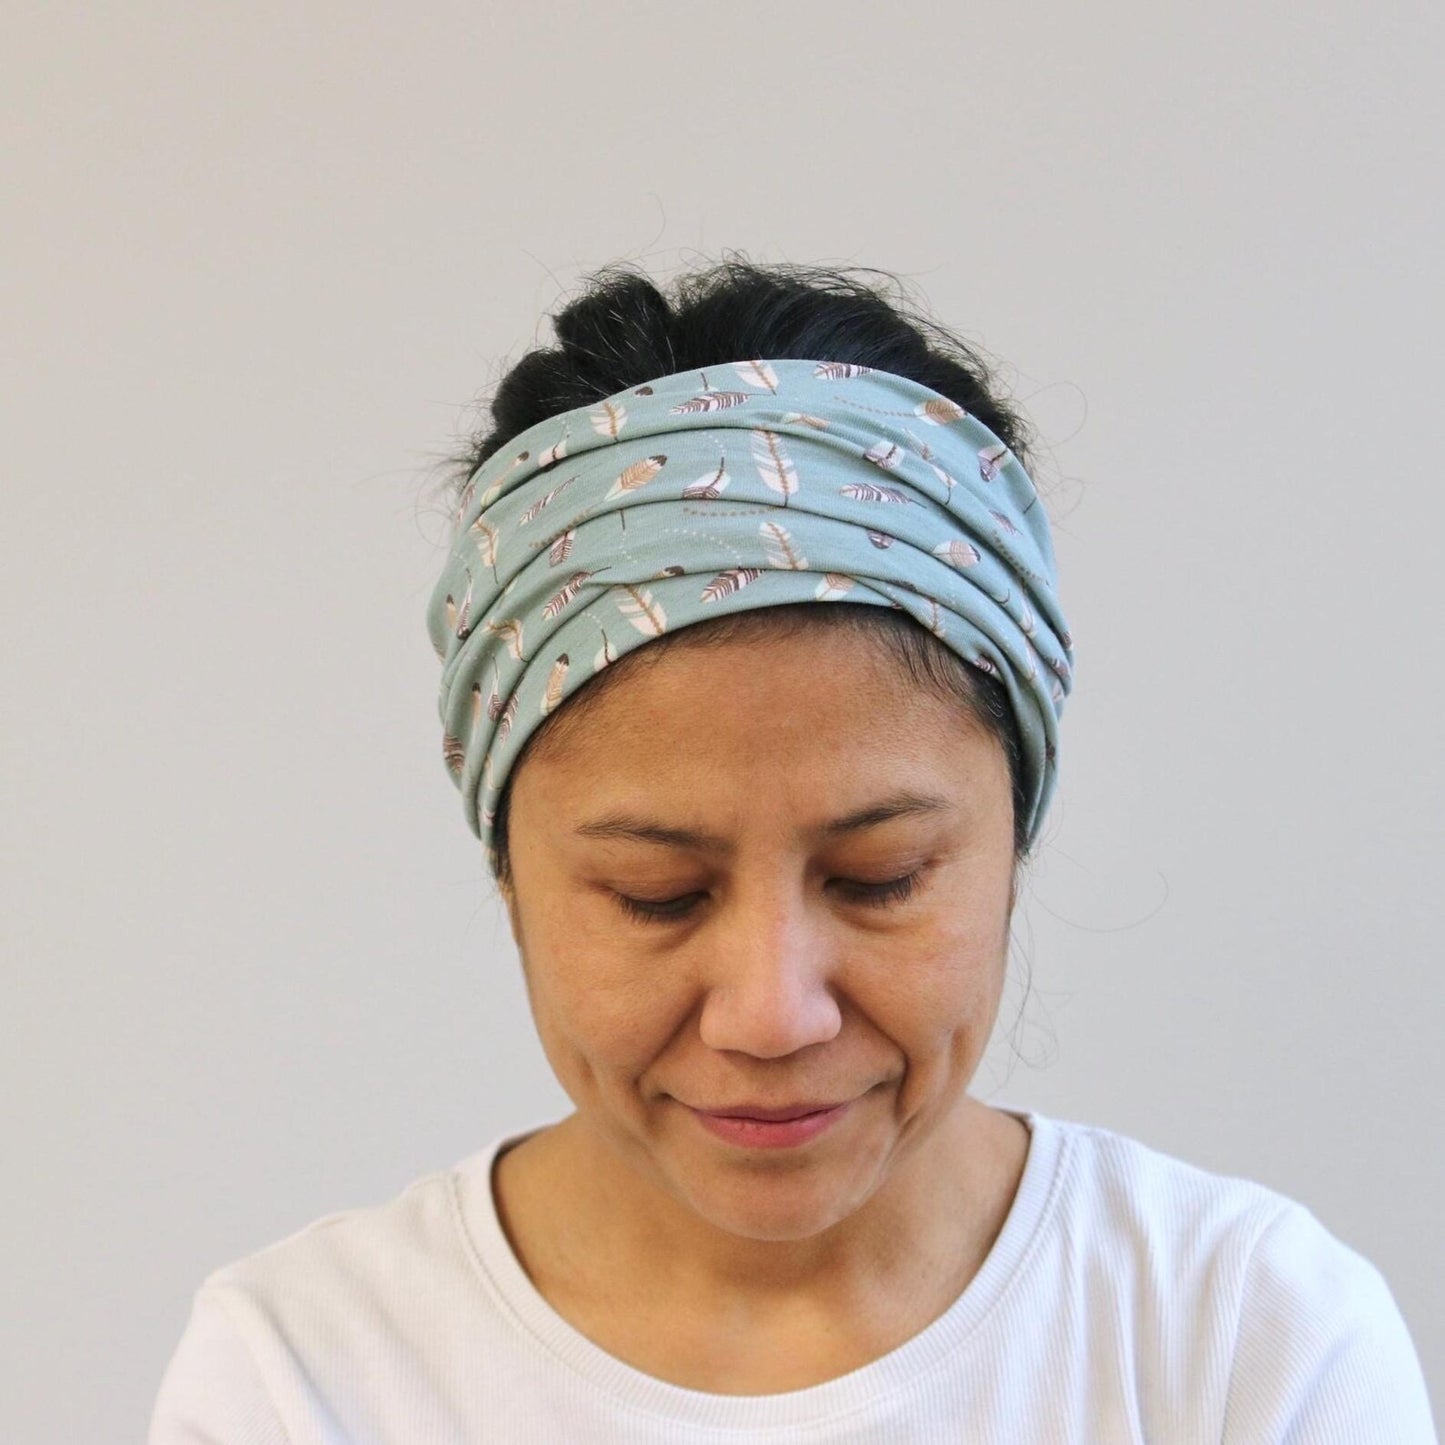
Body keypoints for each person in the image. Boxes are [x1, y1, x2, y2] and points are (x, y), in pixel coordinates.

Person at [148, 258, 1438, 1442]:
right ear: (510, 877)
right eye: (656, 896)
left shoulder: (1246, 1351)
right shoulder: (305, 1378)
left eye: (881, 878)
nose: (771, 1014)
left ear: (1012, 843)